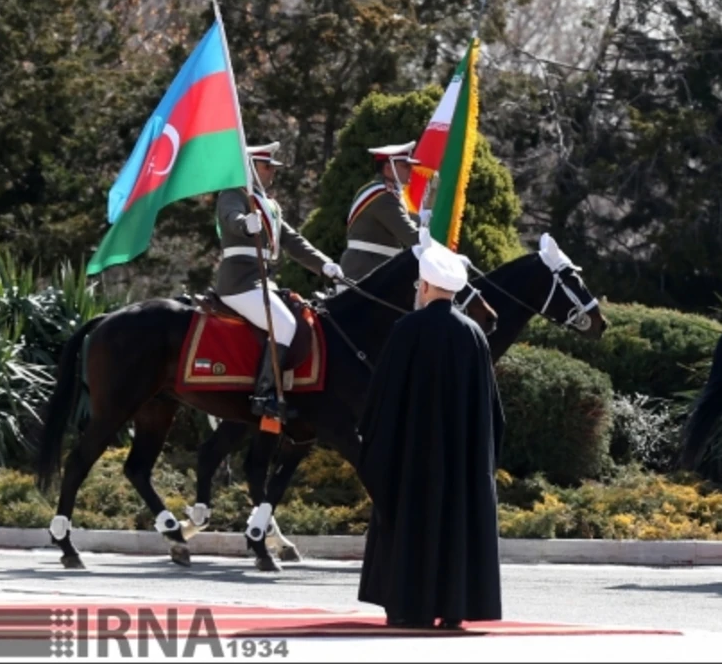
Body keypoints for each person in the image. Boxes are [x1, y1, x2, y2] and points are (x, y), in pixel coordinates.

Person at [356, 233, 504, 630]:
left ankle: (409, 606)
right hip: (460, 466)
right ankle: (453, 608)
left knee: (409, 525)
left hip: (411, 464)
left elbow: (381, 401)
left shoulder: (407, 329)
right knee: (455, 526)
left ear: (423, 286)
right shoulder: (475, 336)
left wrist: (374, 447)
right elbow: (492, 413)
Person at [213, 141, 344, 420]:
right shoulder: (233, 193)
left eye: (272, 167)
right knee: (284, 325)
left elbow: (293, 241)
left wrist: (324, 265)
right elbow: (229, 217)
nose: (272, 172)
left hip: (261, 282)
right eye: (266, 166)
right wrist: (243, 224)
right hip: (238, 283)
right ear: (250, 168)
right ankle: (263, 395)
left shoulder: (269, 205)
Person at [338, 141, 427, 287]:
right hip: (365, 271)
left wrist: (420, 219)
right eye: (405, 166)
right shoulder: (383, 196)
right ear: (388, 168)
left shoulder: (383, 192)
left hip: (371, 267)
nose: (410, 170)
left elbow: (400, 219)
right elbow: (411, 237)